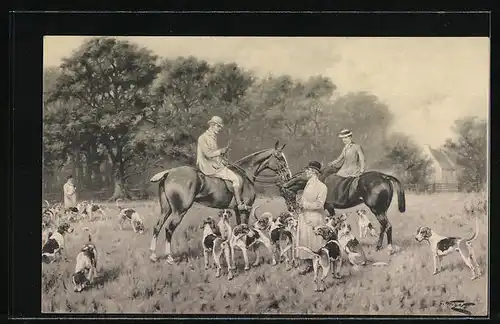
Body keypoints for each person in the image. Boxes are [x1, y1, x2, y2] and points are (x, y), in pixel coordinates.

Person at [196, 116, 249, 211]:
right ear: (212, 125)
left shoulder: (212, 137)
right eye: (218, 126)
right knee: (236, 178)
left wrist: (222, 160)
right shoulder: (202, 138)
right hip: (207, 166)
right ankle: (239, 204)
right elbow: (208, 154)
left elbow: (214, 154)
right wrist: (221, 151)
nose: (219, 129)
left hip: (212, 164)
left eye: (220, 127)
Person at [295, 161, 328, 275]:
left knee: (315, 242)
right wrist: (300, 204)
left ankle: (319, 264)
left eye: (308, 170)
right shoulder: (308, 183)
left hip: (315, 218)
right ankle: (307, 264)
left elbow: (320, 205)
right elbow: (305, 199)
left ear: (314, 172)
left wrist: (305, 205)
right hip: (304, 217)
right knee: (305, 241)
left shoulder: (322, 187)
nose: (306, 171)